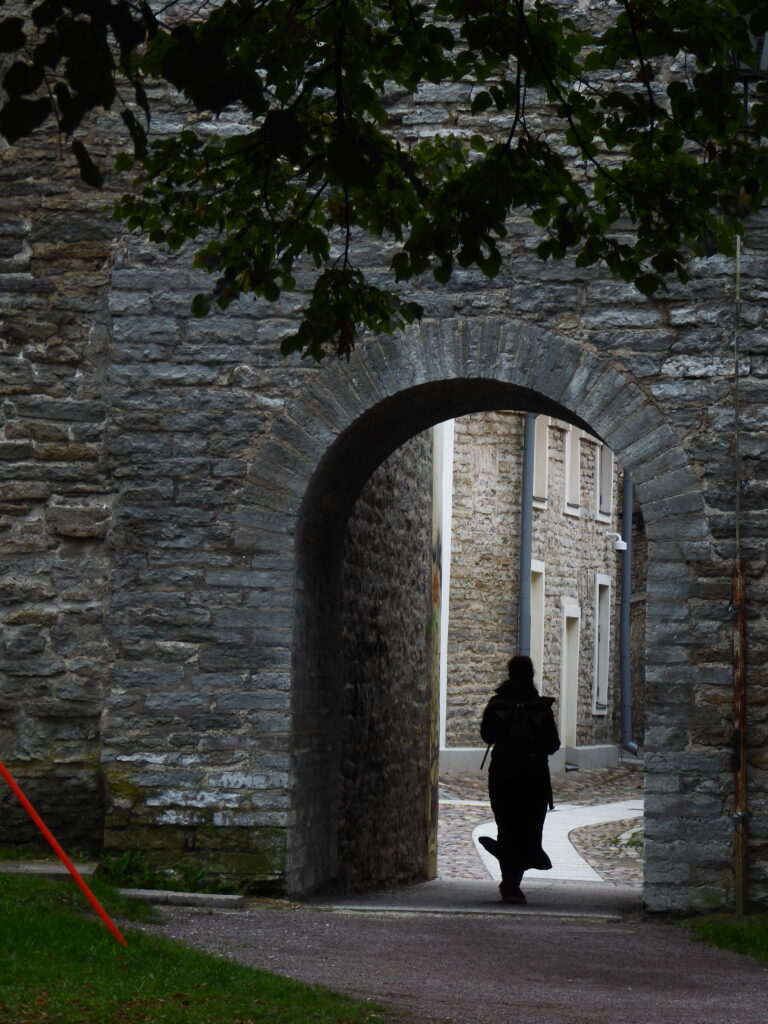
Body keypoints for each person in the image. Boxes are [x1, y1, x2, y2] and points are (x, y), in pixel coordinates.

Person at [479, 655, 560, 904]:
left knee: (507, 826)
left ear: (509, 673)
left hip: (503, 772)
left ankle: (510, 880)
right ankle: (514, 880)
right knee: (529, 827)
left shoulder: (497, 704)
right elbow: (553, 744)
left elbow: (487, 735)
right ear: (531, 674)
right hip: (533, 774)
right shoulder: (541, 707)